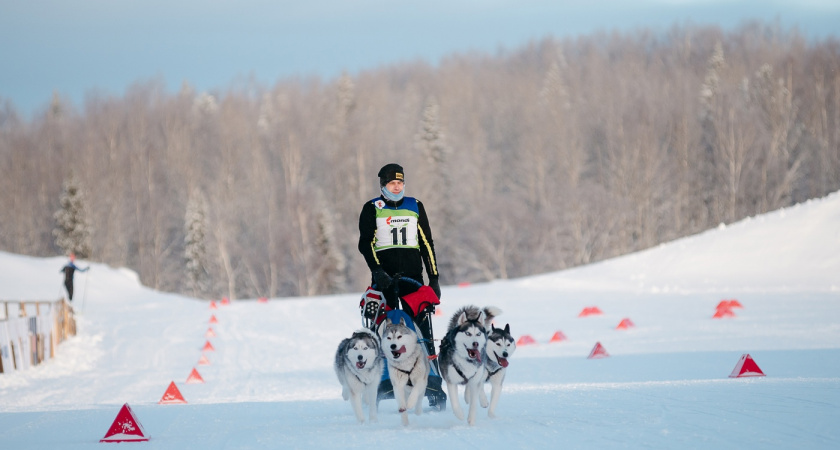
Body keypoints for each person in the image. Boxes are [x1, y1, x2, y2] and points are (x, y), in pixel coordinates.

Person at [358, 163, 441, 346]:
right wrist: (377, 271)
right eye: (392, 183)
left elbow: (426, 243)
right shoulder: (372, 208)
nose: (397, 186)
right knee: (385, 331)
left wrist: (434, 278)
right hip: (384, 279)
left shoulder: (415, 205)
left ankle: (428, 366)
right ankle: (383, 369)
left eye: (400, 182)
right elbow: (365, 244)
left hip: (413, 278)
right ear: (383, 185)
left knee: (421, 331)